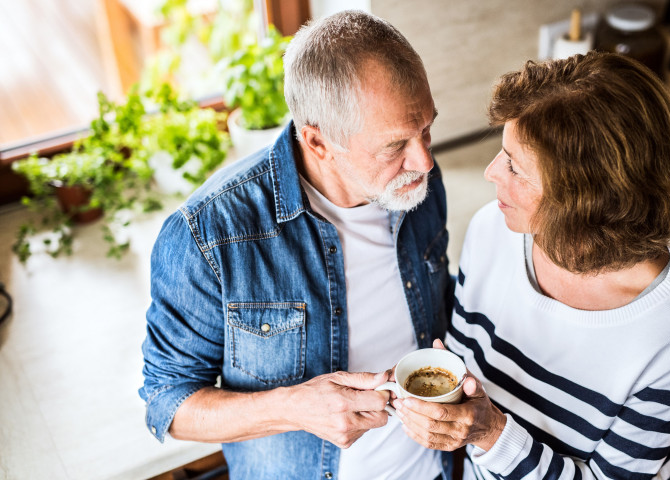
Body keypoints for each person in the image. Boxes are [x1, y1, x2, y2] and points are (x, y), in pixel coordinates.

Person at [139, 10, 454, 480]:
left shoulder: (413, 186)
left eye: (425, 129)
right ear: (318, 141)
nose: (424, 160)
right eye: (394, 145)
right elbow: (167, 403)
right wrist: (294, 408)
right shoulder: (209, 235)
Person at [391, 51, 670, 480]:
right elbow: (469, 376)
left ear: (585, 202)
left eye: (515, 169)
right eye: (501, 153)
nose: (490, 174)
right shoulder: (493, 230)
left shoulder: (669, 328)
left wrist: (490, 434)